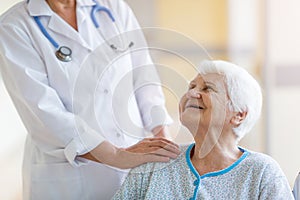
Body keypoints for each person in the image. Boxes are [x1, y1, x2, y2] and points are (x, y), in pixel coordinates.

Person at [0, 0, 180, 199]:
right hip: (70, 175)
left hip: (134, 162)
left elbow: (144, 75)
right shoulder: (14, 27)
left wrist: (162, 136)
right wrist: (115, 155)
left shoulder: (113, 8)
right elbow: (42, 110)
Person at [113, 60, 294, 200]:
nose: (191, 93)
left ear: (239, 114)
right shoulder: (156, 164)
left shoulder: (261, 172)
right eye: (191, 87)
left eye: (207, 89)